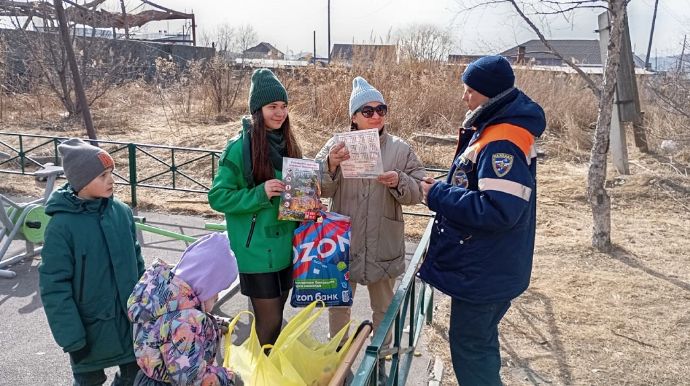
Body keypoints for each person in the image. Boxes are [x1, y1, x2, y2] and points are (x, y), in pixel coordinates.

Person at [418, 55, 546, 385]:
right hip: (490, 264)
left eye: (470, 90)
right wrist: (444, 189)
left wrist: (436, 195)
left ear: (488, 95)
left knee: (471, 350)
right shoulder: (495, 129)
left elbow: (498, 209)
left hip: (485, 269)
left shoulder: (502, 139)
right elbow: (479, 187)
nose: (464, 97)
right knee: (480, 346)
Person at [315, 76, 426, 345]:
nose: (376, 116)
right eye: (368, 111)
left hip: (383, 242)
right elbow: (315, 189)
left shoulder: (400, 149)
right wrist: (330, 164)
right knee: (339, 306)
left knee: (384, 309)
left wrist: (400, 181)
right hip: (343, 241)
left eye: (381, 110)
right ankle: (337, 355)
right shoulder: (336, 145)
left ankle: (381, 358)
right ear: (354, 117)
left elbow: (421, 190)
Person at [39, 138, 145, 386]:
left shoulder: (121, 212)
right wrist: (72, 339)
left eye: (111, 173)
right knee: (88, 381)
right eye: (102, 176)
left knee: (136, 378)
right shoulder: (62, 226)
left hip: (129, 323)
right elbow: (54, 286)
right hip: (87, 329)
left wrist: (146, 309)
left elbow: (137, 261)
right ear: (81, 181)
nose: (111, 180)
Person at [208, 68, 302, 346]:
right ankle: (259, 375)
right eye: (272, 106)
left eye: (284, 106)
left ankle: (266, 371)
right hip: (255, 249)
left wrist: (308, 204)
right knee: (269, 323)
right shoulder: (239, 148)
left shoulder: (289, 144)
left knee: (277, 318)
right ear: (257, 110)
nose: (280, 113)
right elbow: (218, 197)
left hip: (286, 244)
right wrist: (260, 193)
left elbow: (297, 196)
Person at [127, 232, 241, 386]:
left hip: (147, 378)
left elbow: (164, 328)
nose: (218, 297)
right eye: (215, 293)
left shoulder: (161, 297)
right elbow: (192, 378)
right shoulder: (186, 323)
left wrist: (214, 323)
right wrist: (226, 376)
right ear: (203, 286)